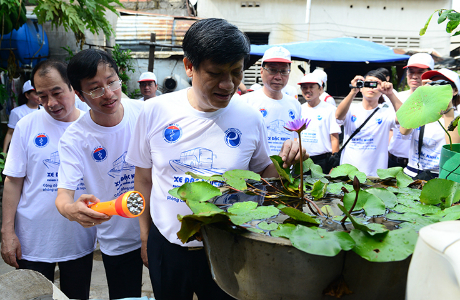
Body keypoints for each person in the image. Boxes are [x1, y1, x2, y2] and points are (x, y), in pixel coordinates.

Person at [125, 18, 306, 300]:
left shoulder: (249, 117)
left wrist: (292, 160)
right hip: (167, 243)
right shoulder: (155, 111)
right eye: (215, 73)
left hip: (227, 245)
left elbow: (265, 175)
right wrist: (145, 235)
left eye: (236, 72)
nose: (228, 84)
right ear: (189, 66)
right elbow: (143, 179)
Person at [0, 60, 96, 299]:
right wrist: (7, 233)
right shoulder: (27, 125)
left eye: (57, 93)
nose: (51, 103)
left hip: (78, 238)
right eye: (42, 96)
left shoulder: (92, 123)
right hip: (33, 239)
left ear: (73, 87)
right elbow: (13, 181)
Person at [55, 49, 143, 300]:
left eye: (112, 81)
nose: (109, 93)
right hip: (118, 238)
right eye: (95, 89)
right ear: (79, 95)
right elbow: (63, 196)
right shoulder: (75, 138)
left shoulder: (144, 113)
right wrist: (71, 210)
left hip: (159, 231)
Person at [335, 70, 402, 177]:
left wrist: (390, 94)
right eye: (367, 83)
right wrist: (353, 91)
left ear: (382, 89)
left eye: (376, 84)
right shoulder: (351, 108)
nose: (371, 87)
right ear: (361, 87)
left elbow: (404, 119)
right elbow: (338, 116)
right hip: (348, 173)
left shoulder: (386, 111)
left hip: (374, 175)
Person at [241, 46, 302, 155]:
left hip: (286, 169)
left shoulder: (295, 105)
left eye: (284, 71)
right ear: (261, 71)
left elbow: (295, 138)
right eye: (273, 70)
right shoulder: (246, 102)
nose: (278, 77)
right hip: (255, 170)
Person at [400, 68, 460, 179]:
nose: (438, 88)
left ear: (455, 91)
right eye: (433, 84)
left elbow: (452, 147)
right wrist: (420, 96)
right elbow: (403, 131)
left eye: (444, 85)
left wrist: (448, 109)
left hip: (439, 177)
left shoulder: (457, 117)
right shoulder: (423, 111)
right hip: (412, 173)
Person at [388, 53, 434, 168]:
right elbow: (391, 128)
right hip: (394, 161)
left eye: (420, 72)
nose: (414, 76)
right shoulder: (397, 96)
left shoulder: (436, 103)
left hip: (421, 165)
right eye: (411, 71)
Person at [298, 73, 340, 174]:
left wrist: (334, 163)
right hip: (301, 160)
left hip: (322, 161)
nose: (307, 90)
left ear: (320, 89)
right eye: (304, 87)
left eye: (311, 87)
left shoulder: (330, 109)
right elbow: (295, 136)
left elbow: (334, 137)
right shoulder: (299, 109)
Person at [2, 80, 40, 154]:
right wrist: (4, 152)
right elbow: (10, 133)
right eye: (36, 93)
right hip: (22, 150)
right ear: (27, 95)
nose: (39, 97)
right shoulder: (17, 112)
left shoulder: (46, 111)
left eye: (41, 93)